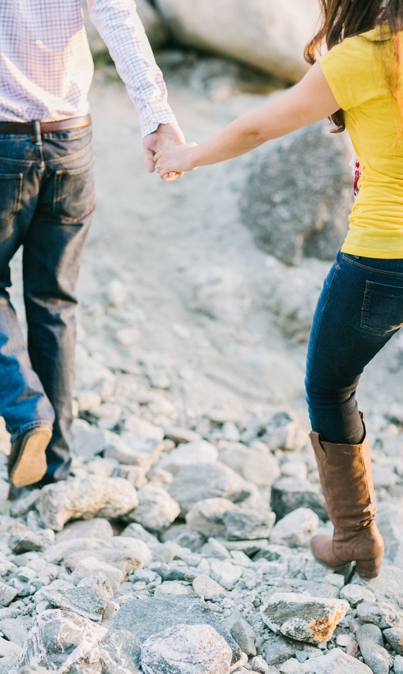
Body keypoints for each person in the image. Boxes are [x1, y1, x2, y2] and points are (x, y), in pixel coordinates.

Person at [152, 0, 403, 577]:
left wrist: (189, 155)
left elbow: (259, 125)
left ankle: (356, 539)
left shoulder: (360, 57)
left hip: (381, 258)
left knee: (330, 385)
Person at [0, 0, 186, 488]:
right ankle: (54, 469)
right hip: (69, 141)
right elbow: (117, 16)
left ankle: (26, 411)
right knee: (53, 302)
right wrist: (155, 113)